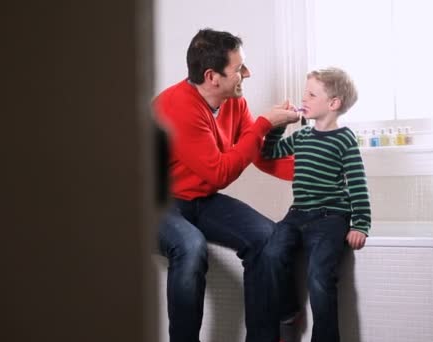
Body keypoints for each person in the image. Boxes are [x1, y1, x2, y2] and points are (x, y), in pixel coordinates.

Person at [153, 28, 301, 342]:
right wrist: (263, 124)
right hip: (152, 203)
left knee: (267, 236)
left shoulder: (234, 102)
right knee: (190, 246)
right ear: (212, 76)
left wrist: (315, 170)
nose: (247, 73)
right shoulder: (178, 107)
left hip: (197, 200)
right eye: (239, 68)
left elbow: (258, 154)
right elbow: (219, 173)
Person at [262, 67, 371, 342]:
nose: (304, 98)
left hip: (330, 216)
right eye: (305, 93)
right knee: (271, 252)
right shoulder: (302, 136)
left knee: (319, 276)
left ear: (333, 104)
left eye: (312, 94)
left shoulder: (345, 139)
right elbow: (269, 152)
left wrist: (360, 224)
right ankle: (288, 312)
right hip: (298, 214)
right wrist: (280, 125)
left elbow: (357, 184)